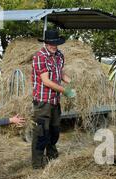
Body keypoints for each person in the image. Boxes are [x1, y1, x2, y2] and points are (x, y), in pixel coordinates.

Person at [31, 29, 76, 169]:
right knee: (41, 133)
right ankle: (37, 164)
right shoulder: (40, 56)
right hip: (43, 101)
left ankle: (52, 156)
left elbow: (60, 72)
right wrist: (65, 91)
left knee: (54, 130)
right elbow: (46, 81)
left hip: (55, 100)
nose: (53, 45)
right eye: (50, 43)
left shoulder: (59, 55)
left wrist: (72, 82)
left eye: (55, 43)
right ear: (45, 42)